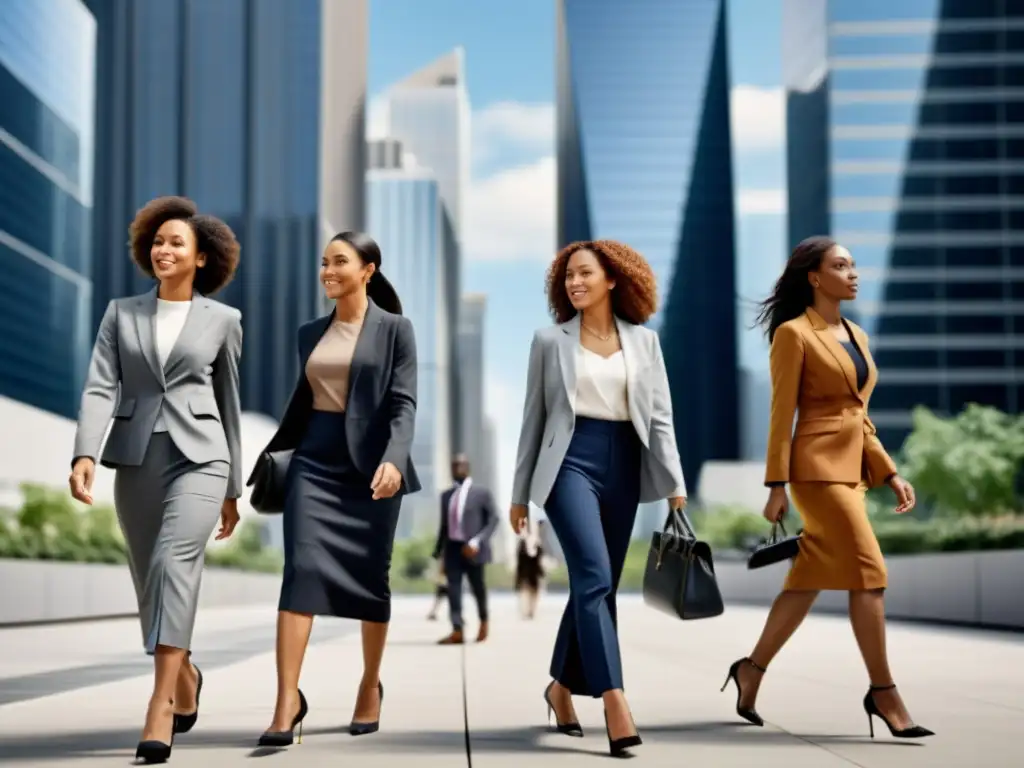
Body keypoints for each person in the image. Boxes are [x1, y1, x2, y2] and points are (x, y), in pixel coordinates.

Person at [722, 236, 933, 740]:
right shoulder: (794, 335)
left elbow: (859, 415)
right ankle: (883, 691)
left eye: (854, 265)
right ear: (814, 277)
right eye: (841, 265)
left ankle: (750, 670)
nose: (854, 273)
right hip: (815, 472)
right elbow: (781, 415)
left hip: (853, 472)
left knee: (805, 582)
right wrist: (776, 485)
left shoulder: (857, 335)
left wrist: (889, 472)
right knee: (870, 572)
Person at [69, 195, 243, 764]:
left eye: (177, 243)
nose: (163, 250)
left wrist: (233, 487)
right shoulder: (122, 313)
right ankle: (185, 671)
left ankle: (160, 705)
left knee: (174, 563)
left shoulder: (223, 321)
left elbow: (230, 404)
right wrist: (85, 452)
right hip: (137, 457)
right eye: (158, 241)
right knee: (148, 576)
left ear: (201, 259)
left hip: (202, 457)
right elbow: (101, 385)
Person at [509, 240, 687, 758]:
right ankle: (614, 699)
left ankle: (560, 688)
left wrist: (674, 485)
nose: (574, 283)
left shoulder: (645, 343)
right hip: (568, 463)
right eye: (567, 277)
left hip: (625, 465)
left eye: (584, 273)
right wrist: (520, 494)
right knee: (593, 578)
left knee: (599, 585)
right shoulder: (549, 341)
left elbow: (660, 418)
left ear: (613, 279)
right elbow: (533, 420)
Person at [253, 231, 419, 748]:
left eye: (340, 262)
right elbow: (304, 401)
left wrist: (393, 459)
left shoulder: (396, 330)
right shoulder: (309, 333)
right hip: (315, 460)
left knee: (373, 577)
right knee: (299, 571)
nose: (328, 270)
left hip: (373, 468)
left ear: (368, 268)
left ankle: (370, 685)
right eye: (324, 262)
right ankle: (286, 700)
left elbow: (404, 403)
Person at [433, 453, 500, 645]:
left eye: (461, 465)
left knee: (478, 588)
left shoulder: (482, 493)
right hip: (452, 549)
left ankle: (484, 622)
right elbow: (444, 526)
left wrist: (477, 541)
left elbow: (494, 519)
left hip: (474, 549)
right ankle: (457, 630)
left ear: (468, 467)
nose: (457, 468)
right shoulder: (446, 496)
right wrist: (438, 551)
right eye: (454, 465)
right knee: (453, 590)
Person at [515, 519, 547, 619]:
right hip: (525, 569)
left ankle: (531, 611)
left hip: (534, 570)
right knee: (525, 590)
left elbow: (540, 558)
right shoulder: (523, 543)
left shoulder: (537, 543)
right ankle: (526, 611)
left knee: (533, 590)